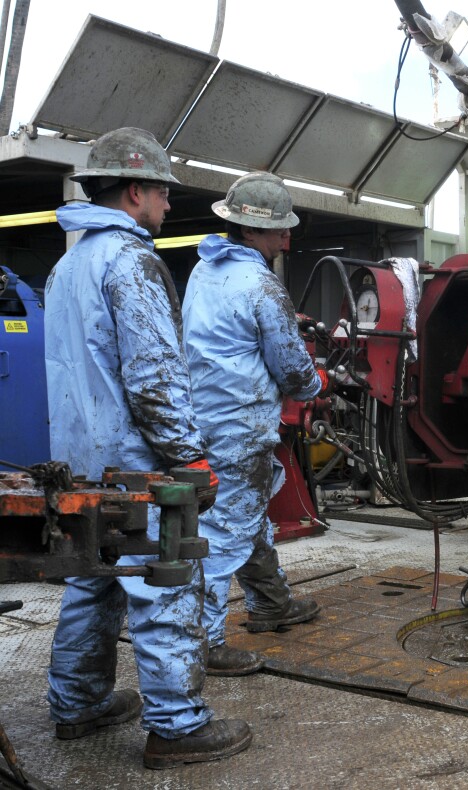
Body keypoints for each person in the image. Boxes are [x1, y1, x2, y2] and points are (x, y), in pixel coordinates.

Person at [44, 127, 252, 769]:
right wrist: (189, 457)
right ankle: (177, 726)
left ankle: (77, 706)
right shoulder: (131, 263)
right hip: (135, 465)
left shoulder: (66, 264)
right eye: (162, 192)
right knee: (165, 586)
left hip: (79, 463)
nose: (167, 206)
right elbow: (156, 375)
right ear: (135, 190)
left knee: (92, 584)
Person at [183, 172, 325, 677]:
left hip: (204, 418)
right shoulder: (262, 284)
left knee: (247, 521)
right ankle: (205, 642)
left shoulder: (204, 272)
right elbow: (291, 370)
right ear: (250, 231)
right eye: (280, 231)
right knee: (225, 533)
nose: (288, 238)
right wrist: (319, 384)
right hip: (240, 427)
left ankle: (272, 603)